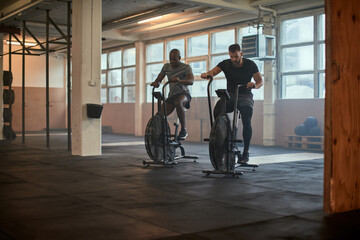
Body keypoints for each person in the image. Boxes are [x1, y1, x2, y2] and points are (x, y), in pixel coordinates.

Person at [201, 43, 263, 163]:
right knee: (217, 111)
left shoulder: (250, 64)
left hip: (245, 95)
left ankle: (246, 152)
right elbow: (213, 72)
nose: (234, 59)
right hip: (231, 94)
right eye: (231, 57)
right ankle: (227, 137)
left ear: (241, 54)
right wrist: (207, 74)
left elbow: (259, 81)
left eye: (236, 56)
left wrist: (254, 85)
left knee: (246, 118)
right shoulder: (225, 63)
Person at [151, 49, 194, 140]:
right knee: (159, 115)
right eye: (170, 59)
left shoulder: (186, 67)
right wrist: (156, 83)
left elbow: (191, 81)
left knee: (178, 102)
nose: (172, 62)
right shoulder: (166, 67)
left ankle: (183, 130)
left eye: (174, 59)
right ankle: (161, 135)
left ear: (179, 58)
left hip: (184, 94)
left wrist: (180, 81)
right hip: (172, 96)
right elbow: (159, 79)